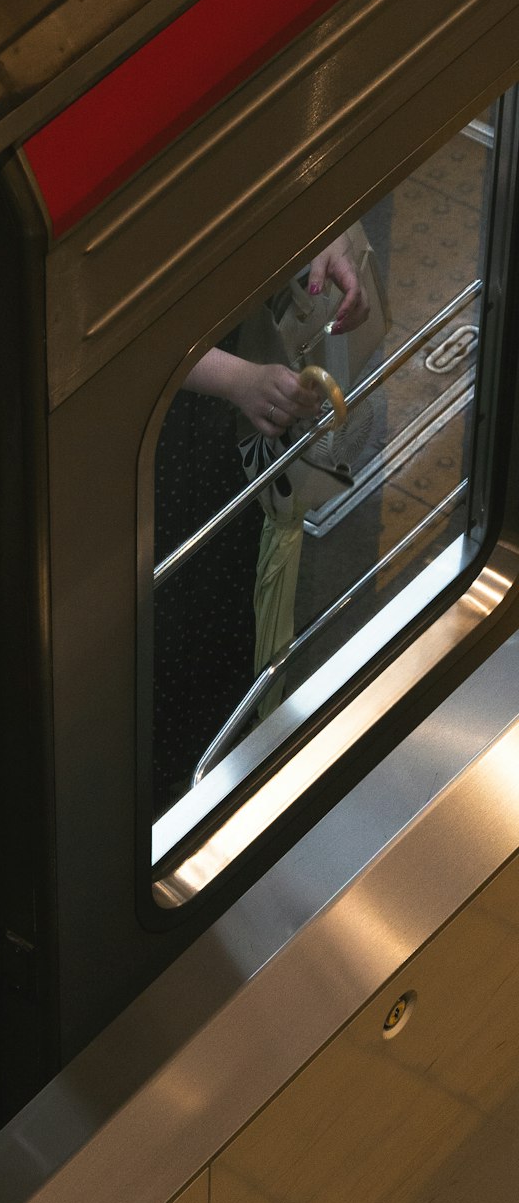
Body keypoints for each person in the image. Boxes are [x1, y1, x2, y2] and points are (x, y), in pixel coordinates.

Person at [153, 240, 369, 811]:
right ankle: (168, 784)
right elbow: (117, 325)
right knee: (169, 606)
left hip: (235, 385)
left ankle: (222, 746)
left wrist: (330, 242)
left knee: (232, 578)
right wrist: (235, 379)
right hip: (164, 421)